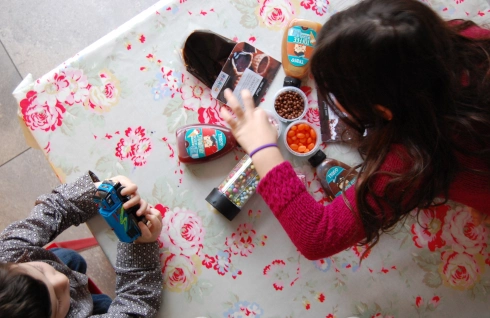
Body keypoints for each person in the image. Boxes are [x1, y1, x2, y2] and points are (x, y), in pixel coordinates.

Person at [220, 0, 490, 260]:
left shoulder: (411, 160)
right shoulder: (468, 36)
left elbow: (317, 236)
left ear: (383, 112)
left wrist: (262, 149)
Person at [0, 172, 163, 317]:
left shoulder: (6, 253)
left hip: (61, 274)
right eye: (57, 302)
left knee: (72, 259)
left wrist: (102, 190)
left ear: (10, 264)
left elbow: (55, 208)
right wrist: (140, 247)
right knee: (105, 304)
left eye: (39, 269)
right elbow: (133, 308)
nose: (62, 281)